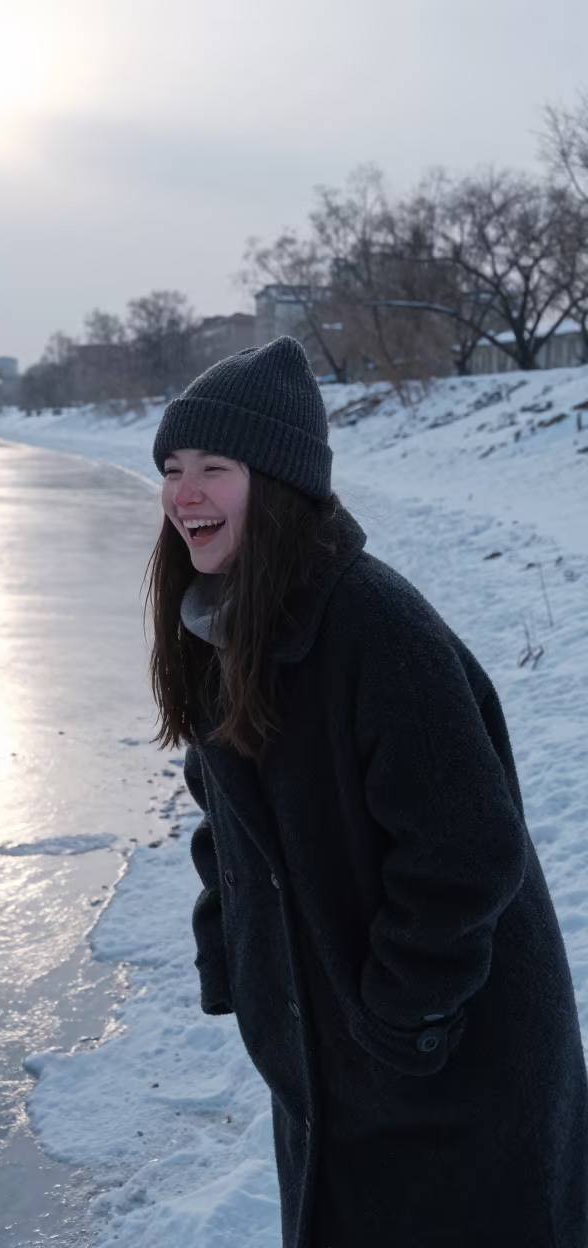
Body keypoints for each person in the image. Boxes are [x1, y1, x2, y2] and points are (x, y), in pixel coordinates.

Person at [145, 336, 588, 1248]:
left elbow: (466, 849)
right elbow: (221, 816)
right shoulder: (226, 628)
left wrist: (402, 1024)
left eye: (214, 468)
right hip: (331, 1072)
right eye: (172, 468)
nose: (184, 493)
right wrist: (231, 957)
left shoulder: (375, 628)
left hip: (454, 1077)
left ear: (278, 483)